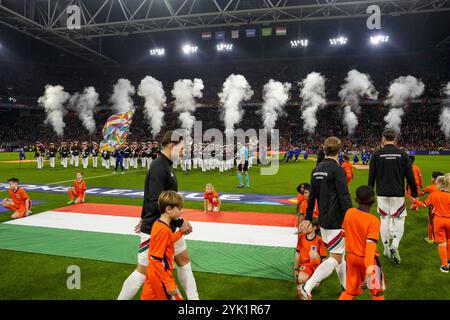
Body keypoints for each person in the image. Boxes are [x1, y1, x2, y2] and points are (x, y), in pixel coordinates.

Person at [118, 131, 199, 300]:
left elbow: (148, 195)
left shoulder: (165, 165)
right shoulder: (159, 167)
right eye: (182, 148)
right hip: (155, 229)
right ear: (171, 146)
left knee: (184, 261)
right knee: (142, 271)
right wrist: (180, 220)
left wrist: (142, 216)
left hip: (167, 226)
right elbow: (155, 200)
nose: (184, 152)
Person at [297, 137, 352, 300]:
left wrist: (308, 217)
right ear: (339, 150)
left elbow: (312, 196)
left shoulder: (316, 169)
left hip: (323, 220)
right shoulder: (338, 170)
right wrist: (351, 217)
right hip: (337, 220)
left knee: (339, 255)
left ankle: (346, 287)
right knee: (335, 258)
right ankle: (307, 288)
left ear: (324, 149)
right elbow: (344, 195)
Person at [368, 129, 417, 264]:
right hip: (398, 194)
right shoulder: (402, 154)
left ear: (383, 139)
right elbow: (410, 176)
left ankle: (386, 248)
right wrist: (414, 194)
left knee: (384, 220)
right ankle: (394, 245)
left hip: (382, 193)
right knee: (399, 220)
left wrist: (369, 193)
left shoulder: (376, 154)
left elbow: (371, 177)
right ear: (395, 140)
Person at [339, 185, 386, 300]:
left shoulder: (349, 212)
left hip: (351, 258)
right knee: (377, 293)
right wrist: (369, 273)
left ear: (357, 199)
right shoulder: (373, 221)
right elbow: (370, 249)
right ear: (373, 200)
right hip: (366, 259)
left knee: (350, 292)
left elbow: (343, 233)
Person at [141, 191, 185, 300]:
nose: (182, 211)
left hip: (153, 272)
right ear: (169, 209)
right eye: (179, 209)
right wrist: (168, 283)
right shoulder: (164, 230)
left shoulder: (158, 224)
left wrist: (180, 232)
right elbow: (156, 259)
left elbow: (167, 241)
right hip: (161, 275)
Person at [413, 174, 450, 273]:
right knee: (449, 239)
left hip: (438, 220)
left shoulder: (434, 194)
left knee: (442, 242)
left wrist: (415, 201)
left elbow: (424, 205)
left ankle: (445, 266)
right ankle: (449, 260)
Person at [294, 219, 327, 292]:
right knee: (301, 279)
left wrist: (323, 273)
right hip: (306, 265)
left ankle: (317, 277)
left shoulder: (319, 240)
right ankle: (312, 279)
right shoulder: (301, 237)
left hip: (316, 265)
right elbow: (297, 253)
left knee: (313, 254)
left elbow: (323, 258)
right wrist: (296, 269)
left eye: (308, 225)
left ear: (314, 227)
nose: (305, 227)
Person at [422, 171, 444, 244]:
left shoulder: (430, 187)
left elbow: (421, 194)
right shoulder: (446, 186)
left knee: (431, 223)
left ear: (435, 179)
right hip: (445, 208)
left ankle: (430, 238)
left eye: (432, 177)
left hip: (434, 209)